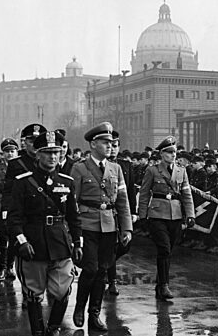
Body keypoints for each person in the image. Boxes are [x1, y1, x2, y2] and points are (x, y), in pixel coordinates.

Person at [9, 130, 81, 336]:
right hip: (34, 243)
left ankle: (54, 327)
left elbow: (74, 217)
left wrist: (78, 243)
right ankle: (38, 331)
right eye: (47, 152)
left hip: (59, 242)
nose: (52, 157)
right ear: (38, 155)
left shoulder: (67, 182)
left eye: (56, 152)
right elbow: (14, 218)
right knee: (33, 292)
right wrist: (22, 242)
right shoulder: (23, 182)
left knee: (62, 289)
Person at [70, 122, 132, 331]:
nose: (110, 146)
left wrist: (127, 229)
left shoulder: (116, 168)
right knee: (90, 268)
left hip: (109, 225)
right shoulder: (79, 168)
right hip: (87, 225)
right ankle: (80, 307)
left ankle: (94, 314)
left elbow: (122, 200)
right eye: (105, 142)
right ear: (93, 144)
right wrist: (73, 232)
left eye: (111, 142)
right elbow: (72, 202)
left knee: (103, 270)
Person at [139, 136, 195, 299]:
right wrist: (143, 215)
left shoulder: (181, 171)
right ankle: (164, 285)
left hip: (176, 215)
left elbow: (186, 194)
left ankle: (160, 283)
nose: (173, 156)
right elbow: (144, 193)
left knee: (168, 250)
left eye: (174, 152)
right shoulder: (152, 170)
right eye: (169, 152)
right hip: (158, 214)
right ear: (162, 154)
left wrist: (190, 214)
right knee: (163, 248)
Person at [2, 124, 47, 284]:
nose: (34, 144)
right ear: (24, 142)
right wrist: (6, 211)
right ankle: (28, 287)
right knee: (20, 246)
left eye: (38, 140)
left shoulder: (48, 161)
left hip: (42, 213)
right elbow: (8, 190)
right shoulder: (16, 163)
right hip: (22, 213)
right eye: (31, 140)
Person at [106, 130, 137, 296]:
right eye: (110, 145)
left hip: (123, 211)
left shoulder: (126, 166)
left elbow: (130, 191)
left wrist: (134, 211)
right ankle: (112, 281)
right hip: (108, 212)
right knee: (111, 246)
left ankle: (105, 264)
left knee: (125, 246)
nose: (112, 149)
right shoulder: (101, 166)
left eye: (116, 146)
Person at [0, 137, 19, 281]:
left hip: (16, 206)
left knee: (14, 238)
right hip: (0, 206)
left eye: (12, 151)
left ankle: (10, 267)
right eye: (7, 152)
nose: (10, 154)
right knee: (2, 238)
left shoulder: (20, 167)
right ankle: (1, 268)